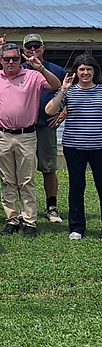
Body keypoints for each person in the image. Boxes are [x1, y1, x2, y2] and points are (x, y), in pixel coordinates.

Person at [0, 41, 61, 236]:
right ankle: (11, 219)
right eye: (7, 59)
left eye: (15, 58)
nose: (11, 62)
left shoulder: (33, 76)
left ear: (21, 59)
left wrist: (40, 67)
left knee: (27, 180)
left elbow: (55, 85)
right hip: (2, 135)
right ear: (0, 60)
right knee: (7, 180)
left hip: (26, 135)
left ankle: (30, 222)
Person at [45, 55, 102, 241]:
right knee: (77, 186)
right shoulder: (69, 92)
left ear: (95, 72)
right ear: (76, 72)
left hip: (99, 147)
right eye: (81, 69)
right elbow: (50, 110)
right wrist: (63, 89)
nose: (85, 73)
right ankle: (77, 227)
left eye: (89, 69)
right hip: (74, 146)